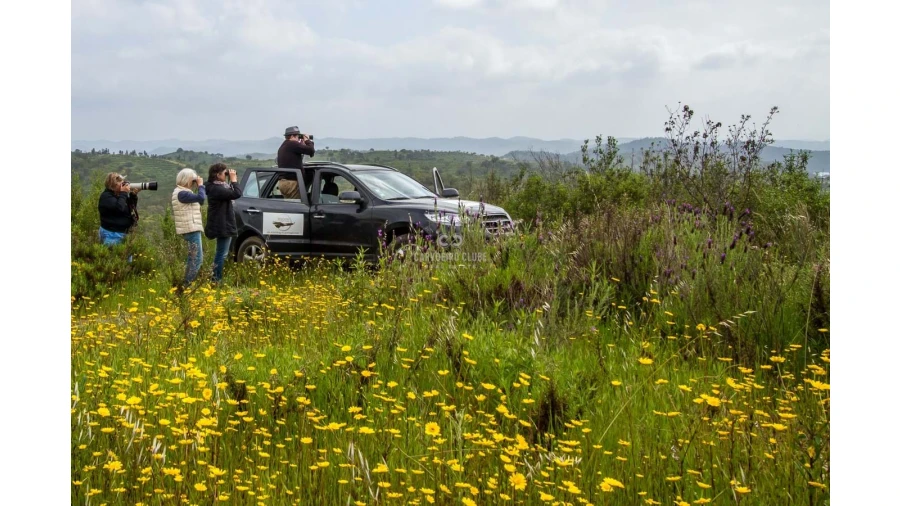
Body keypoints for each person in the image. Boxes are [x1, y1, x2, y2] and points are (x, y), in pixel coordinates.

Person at [204, 163, 242, 283]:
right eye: (224, 173)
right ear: (217, 174)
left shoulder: (215, 187)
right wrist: (234, 180)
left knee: (221, 252)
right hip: (222, 224)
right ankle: (216, 279)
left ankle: (214, 278)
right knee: (222, 254)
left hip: (220, 223)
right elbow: (236, 194)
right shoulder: (217, 189)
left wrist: (231, 181)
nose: (226, 175)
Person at [171, 168, 205, 287]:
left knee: (192, 258)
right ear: (187, 180)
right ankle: (186, 286)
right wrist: (200, 186)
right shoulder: (183, 193)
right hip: (191, 228)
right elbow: (201, 199)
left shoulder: (181, 192)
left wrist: (198, 186)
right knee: (197, 259)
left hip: (190, 227)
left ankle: (184, 284)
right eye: (193, 179)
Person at [98, 172, 140, 246]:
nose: (123, 185)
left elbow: (129, 209)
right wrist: (124, 193)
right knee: (114, 257)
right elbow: (119, 208)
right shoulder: (106, 197)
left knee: (124, 256)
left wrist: (133, 195)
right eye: (121, 183)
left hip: (121, 234)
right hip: (112, 234)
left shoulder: (118, 195)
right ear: (113, 185)